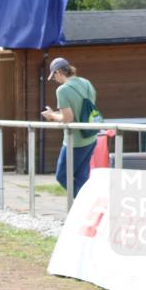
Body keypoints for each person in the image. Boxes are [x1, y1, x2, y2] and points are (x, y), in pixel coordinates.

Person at [42, 57, 98, 196]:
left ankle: (84, 204)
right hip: (91, 137)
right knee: (82, 177)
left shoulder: (62, 90)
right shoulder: (86, 82)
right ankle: (84, 208)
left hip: (75, 141)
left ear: (59, 72)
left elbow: (68, 118)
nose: (54, 79)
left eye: (54, 76)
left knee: (62, 176)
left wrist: (52, 116)